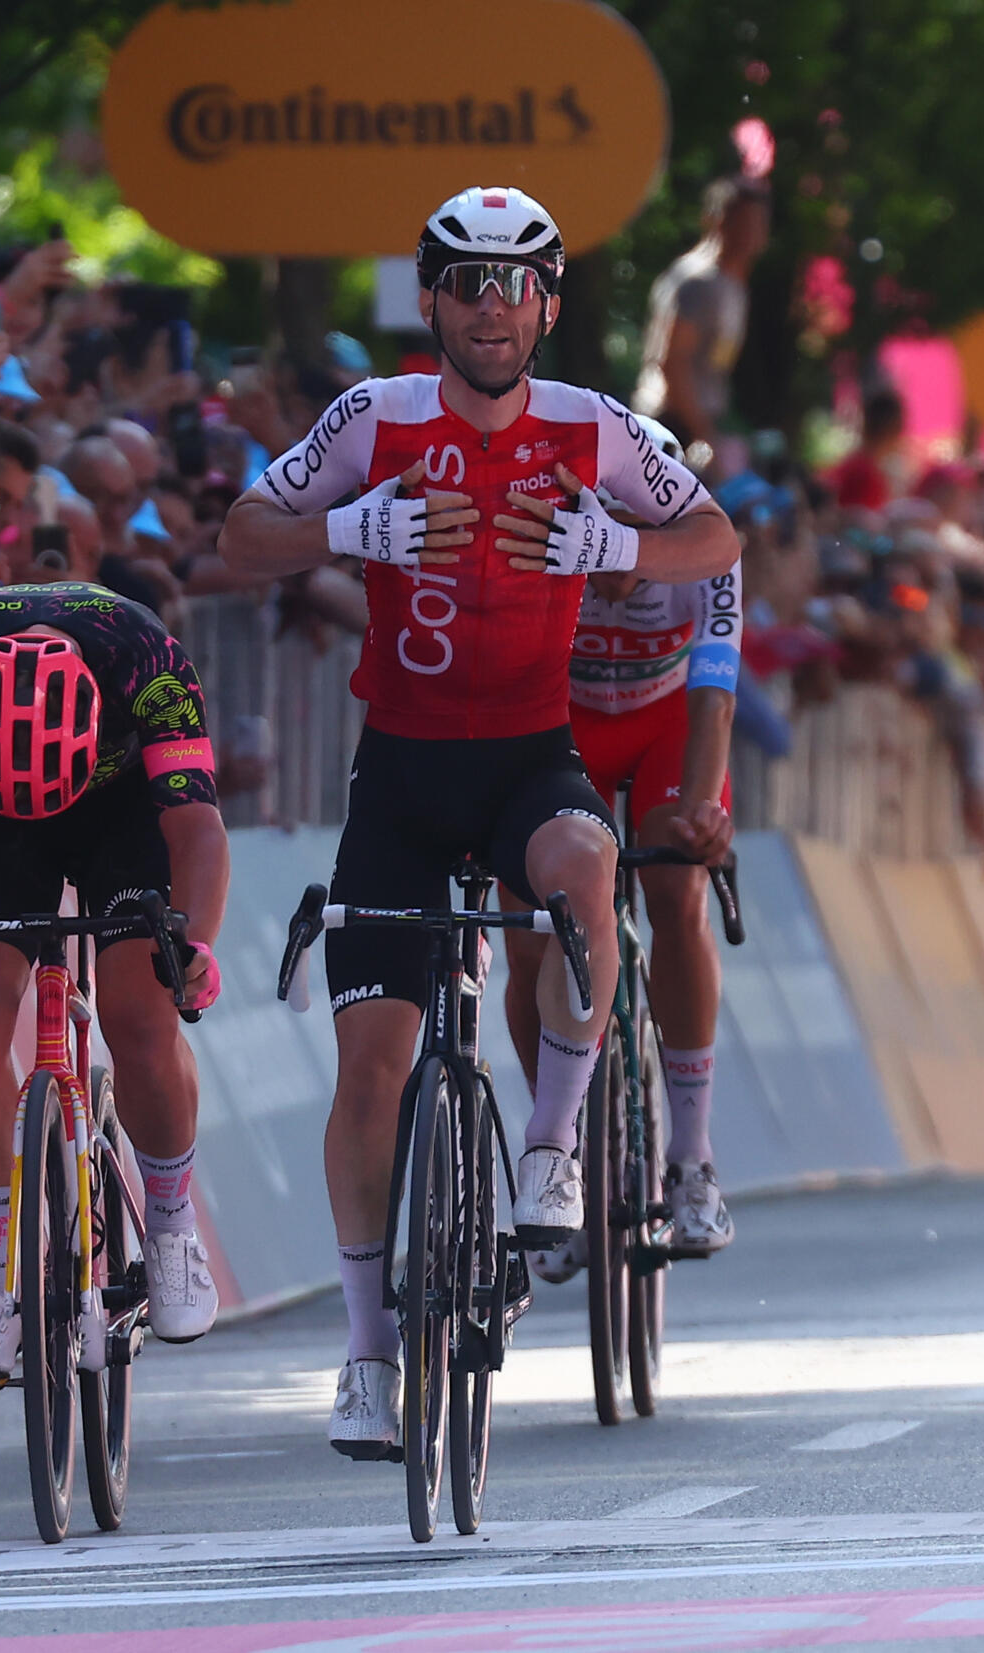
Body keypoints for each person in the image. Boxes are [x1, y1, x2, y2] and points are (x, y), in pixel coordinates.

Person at [217, 185, 738, 1458]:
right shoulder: (374, 417)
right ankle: (363, 1356)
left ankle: (551, 1147)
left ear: (547, 304)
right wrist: (353, 526)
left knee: (586, 870)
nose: (490, 309)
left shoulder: (594, 427)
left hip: (526, 761)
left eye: (514, 287)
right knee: (373, 1072)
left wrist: (610, 547)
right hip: (397, 774)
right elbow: (239, 540)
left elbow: (715, 539)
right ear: (432, 299)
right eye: (466, 284)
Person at [0, 581, 231, 1386]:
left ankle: (171, 1230)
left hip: (123, 810)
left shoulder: (147, 659)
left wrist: (193, 943)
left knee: (141, 1016)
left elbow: (198, 828)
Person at [504, 413, 742, 1271]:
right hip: (561, 727)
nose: (605, 561)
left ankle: (691, 1159)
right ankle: (554, 1153)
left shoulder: (702, 550)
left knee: (678, 890)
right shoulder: (538, 541)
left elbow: (716, 689)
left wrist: (704, 812)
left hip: (666, 721)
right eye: (589, 533)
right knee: (533, 929)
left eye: (624, 536)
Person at [632, 179, 769, 469]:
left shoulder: (735, 286)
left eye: (758, 224)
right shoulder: (697, 282)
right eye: (743, 222)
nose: (751, 234)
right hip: (670, 426)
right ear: (718, 220)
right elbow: (673, 362)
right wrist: (703, 433)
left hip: (702, 426)